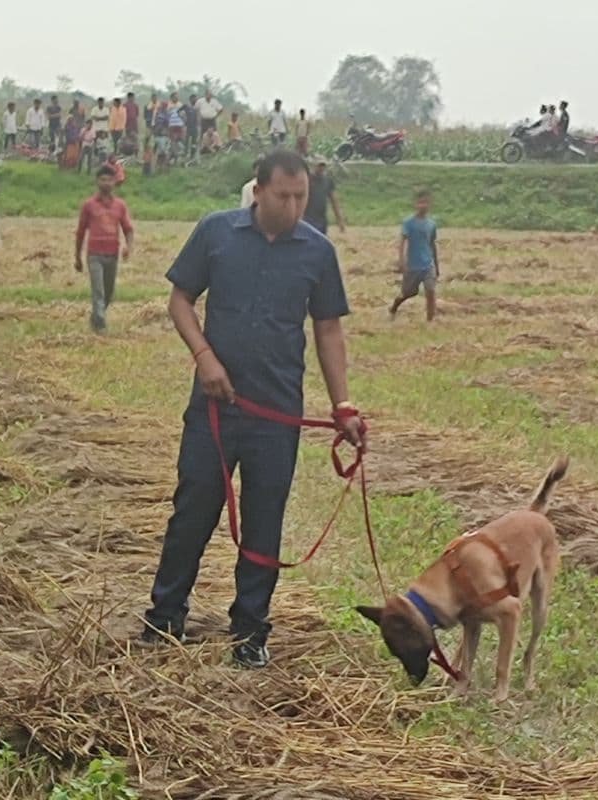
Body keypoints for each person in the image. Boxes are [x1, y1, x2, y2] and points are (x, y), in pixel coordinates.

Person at [142, 150, 362, 670]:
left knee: (264, 522)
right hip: (214, 409)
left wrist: (343, 405)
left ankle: (250, 631)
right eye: (284, 196)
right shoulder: (216, 233)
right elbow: (180, 300)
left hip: (276, 412)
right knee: (193, 511)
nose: (293, 207)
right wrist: (205, 359)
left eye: (301, 197)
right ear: (258, 191)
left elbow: (328, 328)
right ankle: (166, 615)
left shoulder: (317, 252)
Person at [75, 164, 135, 334]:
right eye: (103, 179)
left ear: (115, 182)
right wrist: (77, 257)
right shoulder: (89, 206)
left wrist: (128, 248)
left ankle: (96, 317)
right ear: (97, 182)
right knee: (98, 291)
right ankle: (100, 326)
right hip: (94, 254)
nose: (106, 183)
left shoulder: (120, 206)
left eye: (109, 180)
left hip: (112, 254)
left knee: (108, 293)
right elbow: (80, 232)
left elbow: (128, 229)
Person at [388, 189, 440, 322]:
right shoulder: (409, 223)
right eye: (420, 203)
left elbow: (432, 244)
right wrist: (401, 261)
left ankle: (430, 320)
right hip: (412, 265)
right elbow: (403, 241)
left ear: (430, 204)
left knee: (430, 290)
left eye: (426, 203)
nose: (423, 206)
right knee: (408, 292)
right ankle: (394, 307)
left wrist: (437, 265)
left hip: (428, 264)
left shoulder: (431, 224)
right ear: (416, 204)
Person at [303, 156, 344, 235]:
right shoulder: (307, 180)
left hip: (322, 219)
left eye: (323, 165)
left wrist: (340, 220)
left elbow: (334, 201)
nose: (321, 168)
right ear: (313, 165)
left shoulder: (328, 181)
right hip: (308, 218)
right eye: (319, 165)